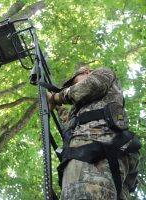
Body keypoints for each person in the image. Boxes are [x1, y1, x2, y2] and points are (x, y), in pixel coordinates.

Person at [47, 63, 140, 200]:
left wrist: (55, 97)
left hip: (98, 148)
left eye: (73, 82)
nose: (71, 87)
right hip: (99, 152)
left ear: (86, 72)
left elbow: (90, 86)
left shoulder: (102, 73)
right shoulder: (80, 107)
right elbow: (70, 122)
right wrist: (58, 108)